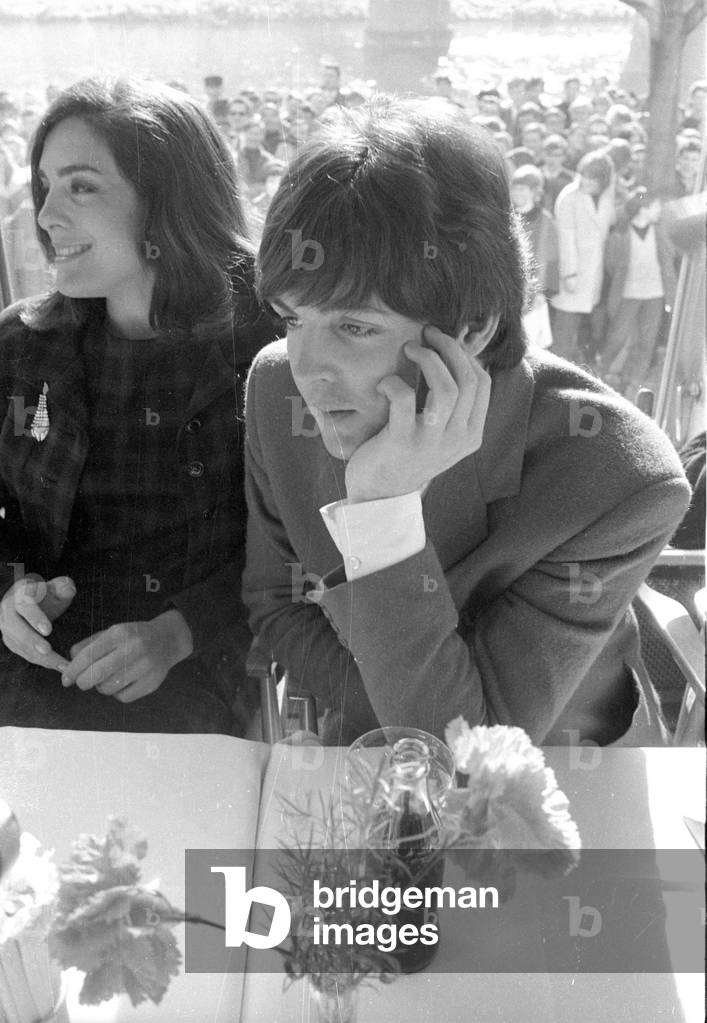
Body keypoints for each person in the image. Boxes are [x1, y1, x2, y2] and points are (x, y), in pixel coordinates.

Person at [242, 97, 690, 748]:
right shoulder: (275, 386)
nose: (309, 367)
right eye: (291, 318)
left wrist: (382, 508)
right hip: (362, 759)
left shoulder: (618, 477)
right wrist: (396, 716)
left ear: (472, 329)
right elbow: (273, 601)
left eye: (354, 326)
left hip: (570, 774)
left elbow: (473, 745)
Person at [0, 77, 278, 734]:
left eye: (81, 185)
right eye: (45, 187)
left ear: (166, 199)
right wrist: (9, 591)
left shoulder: (274, 345)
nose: (44, 215)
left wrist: (181, 629)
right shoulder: (19, 344)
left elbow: (308, 551)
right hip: (27, 684)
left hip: (202, 690)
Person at [601, 189, 676, 401]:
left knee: (647, 340)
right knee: (617, 336)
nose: (659, 211)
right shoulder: (620, 235)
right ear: (643, 209)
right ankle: (601, 371)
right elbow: (612, 265)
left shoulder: (659, 232)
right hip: (628, 293)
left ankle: (632, 382)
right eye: (655, 207)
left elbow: (669, 259)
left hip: (655, 294)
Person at [550, 150, 615, 365]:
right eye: (584, 175)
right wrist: (569, 274)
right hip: (574, 271)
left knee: (581, 326)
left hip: (593, 272)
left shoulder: (606, 198)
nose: (587, 181)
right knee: (565, 328)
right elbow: (565, 240)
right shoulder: (569, 197)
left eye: (593, 178)